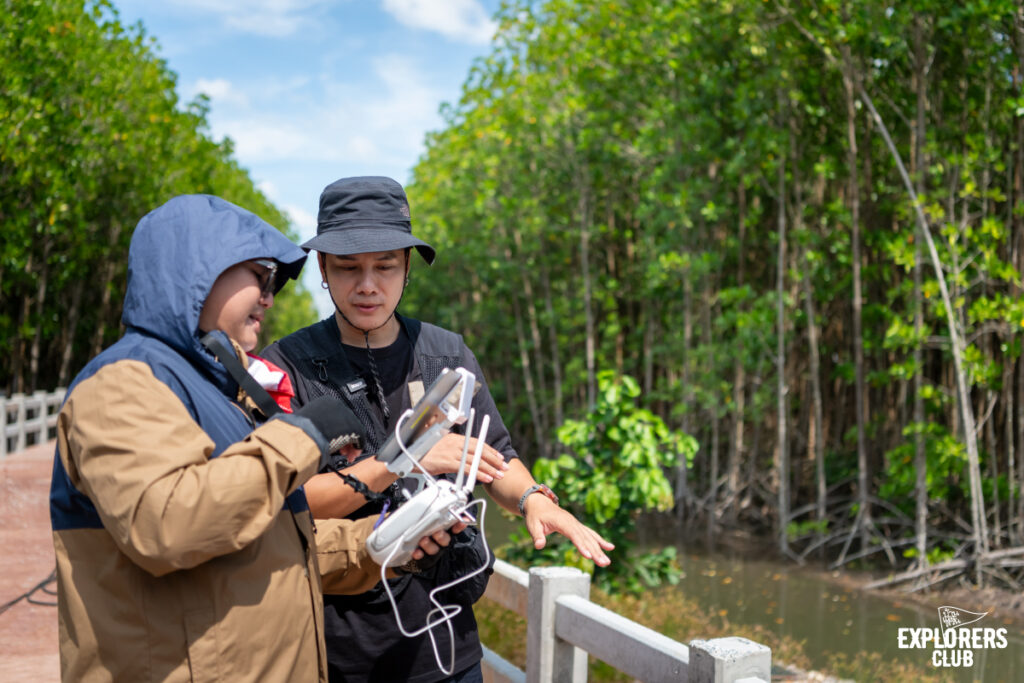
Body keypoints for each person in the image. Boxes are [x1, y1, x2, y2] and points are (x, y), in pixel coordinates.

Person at [49, 194, 461, 682]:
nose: (269, 296)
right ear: (197, 273)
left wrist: (380, 545)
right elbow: (168, 525)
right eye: (259, 277)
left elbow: (265, 539)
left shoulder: (214, 391)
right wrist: (302, 434)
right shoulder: (125, 383)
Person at [261, 176, 615, 683]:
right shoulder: (286, 369)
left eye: (385, 266)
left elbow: (493, 456)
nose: (367, 285)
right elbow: (282, 503)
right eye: (348, 267)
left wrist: (535, 498)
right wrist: (408, 459)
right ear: (322, 268)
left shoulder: (444, 355)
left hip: (443, 642)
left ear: (407, 266)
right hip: (331, 649)